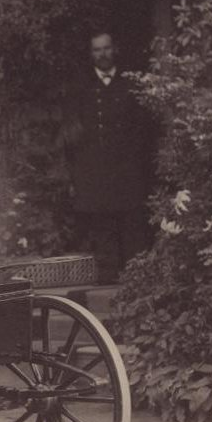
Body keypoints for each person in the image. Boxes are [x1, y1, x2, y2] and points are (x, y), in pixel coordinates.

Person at [61, 31, 152, 283]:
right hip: (95, 171)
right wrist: (77, 174)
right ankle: (108, 280)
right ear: (91, 54)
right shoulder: (81, 87)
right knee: (102, 226)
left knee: (133, 225)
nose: (102, 54)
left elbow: (144, 130)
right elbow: (72, 136)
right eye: (97, 50)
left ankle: (137, 279)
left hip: (128, 170)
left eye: (106, 48)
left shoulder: (131, 84)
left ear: (115, 49)